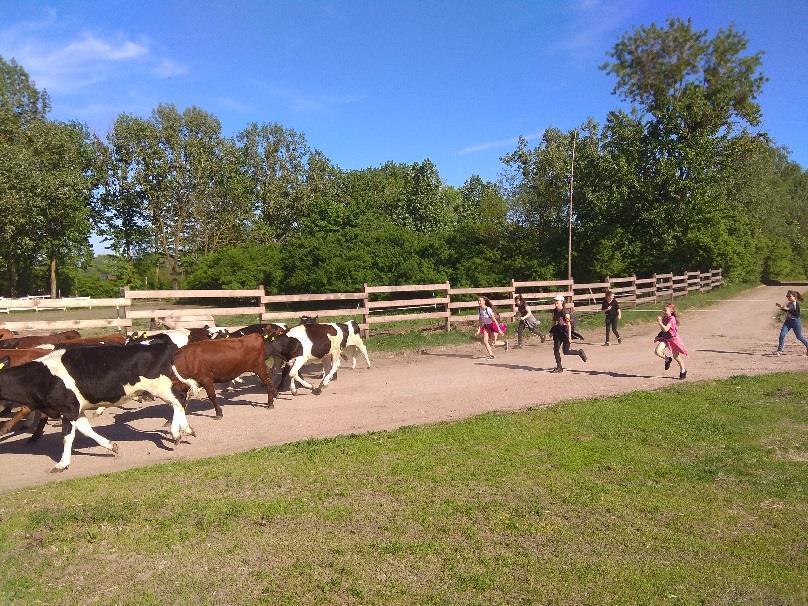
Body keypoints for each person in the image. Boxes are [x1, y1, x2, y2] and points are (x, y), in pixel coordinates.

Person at [549, 295, 587, 373]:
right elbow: (554, 322)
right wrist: (552, 331)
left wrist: (569, 337)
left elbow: (569, 325)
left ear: (562, 302)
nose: (555, 302)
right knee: (556, 350)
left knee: (566, 351)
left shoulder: (565, 312)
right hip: (558, 331)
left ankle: (579, 352)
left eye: (557, 301)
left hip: (565, 332)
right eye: (555, 301)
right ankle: (559, 368)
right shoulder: (555, 311)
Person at [654, 302, 688, 379]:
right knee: (657, 351)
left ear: (671, 311)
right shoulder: (665, 318)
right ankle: (667, 359)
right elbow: (663, 330)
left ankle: (683, 370)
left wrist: (659, 322)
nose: (663, 312)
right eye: (663, 310)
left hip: (673, 340)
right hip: (666, 339)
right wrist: (658, 336)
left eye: (665, 310)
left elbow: (666, 329)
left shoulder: (672, 319)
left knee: (676, 357)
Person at [774, 290, 808, 356]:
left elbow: (797, 314)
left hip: (796, 322)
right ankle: (780, 350)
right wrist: (781, 307)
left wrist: (788, 309)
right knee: (782, 335)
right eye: (787, 296)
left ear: (794, 297)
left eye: (789, 296)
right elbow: (787, 311)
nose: (788, 297)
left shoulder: (796, 304)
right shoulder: (789, 303)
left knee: (799, 336)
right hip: (788, 321)